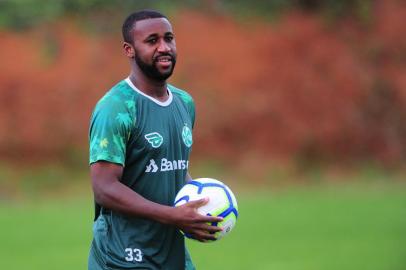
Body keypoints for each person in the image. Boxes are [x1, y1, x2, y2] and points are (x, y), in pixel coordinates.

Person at [87, 9, 223, 270]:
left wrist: (196, 206)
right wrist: (173, 216)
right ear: (129, 49)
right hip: (123, 257)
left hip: (172, 254)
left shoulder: (184, 103)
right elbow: (104, 188)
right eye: (152, 41)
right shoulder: (116, 108)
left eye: (169, 38)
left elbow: (174, 168)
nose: (164, 47)